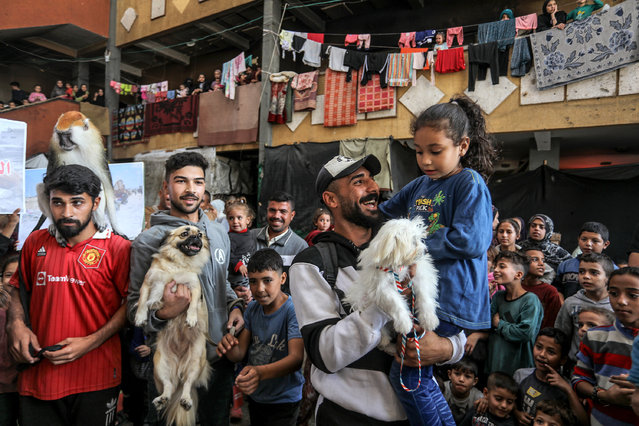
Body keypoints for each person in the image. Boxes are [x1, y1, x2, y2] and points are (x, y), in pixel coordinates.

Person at [289, 154, 466, 424]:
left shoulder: (405, 242)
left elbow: (455, 321)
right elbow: (326, 355)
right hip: (347, 418)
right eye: (359, 182)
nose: (373, 187)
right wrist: (386, 296)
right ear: (331, 200)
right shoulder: (312, 264)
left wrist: (447, 349)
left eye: (372, 179)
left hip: (419, 411)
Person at [6, 164, 130, 426]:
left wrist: (91, 342)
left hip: (96, 377)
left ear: (95, 202)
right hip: (37, 377)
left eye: (77, 203)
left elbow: (131, 304)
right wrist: (15, 324)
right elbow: (18, 288)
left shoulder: (119, 248)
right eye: (58, 203)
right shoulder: (35, 242)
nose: (66, 213)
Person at [127, 151, 244, 426]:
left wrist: (234, 306)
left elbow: (222, 281)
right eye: (181, 181)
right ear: (166, 187)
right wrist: (165, 312)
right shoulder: (149, 241)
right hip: (172, 364)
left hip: (217, 359)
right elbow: (134, 307)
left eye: (198, 182)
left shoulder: (216, 233)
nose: (191, 189)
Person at [217, 249, 304, 426]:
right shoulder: (252, 309)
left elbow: (296, 359)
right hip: (257, 396)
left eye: (267, 280)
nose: (260, 289)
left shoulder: (293, 310)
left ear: (283, 279)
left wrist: (259, 372)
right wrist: (228, 345)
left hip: (284, 400)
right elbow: (239, 353)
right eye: (253, 282)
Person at [572, 267, 639, 426]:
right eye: (614, 293)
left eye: (633, 295)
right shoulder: (595, 336)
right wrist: (606, 396)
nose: (621, 301)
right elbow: (579, 379)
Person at [512, 328, 588, 426]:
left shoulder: (566, 388)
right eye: (539, 347)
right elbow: (510, 400)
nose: (542, 354)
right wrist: (516, 413)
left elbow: (583, 423)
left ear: (563, 360)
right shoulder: (521, 375)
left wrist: (568, 390)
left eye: (551, 352)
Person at [486, 251, 543, 376]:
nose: (495, 270)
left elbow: (525, 333)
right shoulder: (498, 297)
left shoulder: (530, 300)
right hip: (496, 364)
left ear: (518, 274)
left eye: (502, 266)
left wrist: (499, 324)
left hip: (518, 368)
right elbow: (488, 323)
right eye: (495, 266)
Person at [554, 253, 614, 366]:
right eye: (581, 271)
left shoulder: (616, 305)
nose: (585, 276)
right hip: (575, 365)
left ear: (608, 277)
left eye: (594, 272)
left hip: (607, 367)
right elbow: (562, 336)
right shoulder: (571, 303)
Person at [252, 191, 308, 275]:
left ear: (292, 215)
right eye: (272, 210)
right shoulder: (250, 236)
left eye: (283, 211)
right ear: (267, 211)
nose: (276, 216)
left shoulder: (300, 247)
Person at [555, 221, 611, 299]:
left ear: (605, 244)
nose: (588, 243)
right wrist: (564, 305)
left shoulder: (611, 269)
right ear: (578, 240)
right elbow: (558, 289)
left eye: (595, 241)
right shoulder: (565, 265)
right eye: (584, 239)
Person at [522, 248, 563, 330]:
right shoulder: (515, 287)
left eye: (543, 260)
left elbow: (552, 322)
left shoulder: (550, 291)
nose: (541, 264)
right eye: (535, 259)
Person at [0, 254, 19, 426]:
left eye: (19, 275)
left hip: (26, 388)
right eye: (8, 275)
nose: (13, 280)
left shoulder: (38, 310)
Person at [226, 200, 256, 302]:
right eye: (231, 218)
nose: (235, 221)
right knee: (241, 296)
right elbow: (228, 253)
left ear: (248, 220)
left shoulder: (250, 234)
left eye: (239, 218)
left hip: (247, 274)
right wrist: (238, 264)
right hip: (236, 277)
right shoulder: (231, 237)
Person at [442, 358, 483, 424]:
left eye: (467, 376)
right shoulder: (442, 389)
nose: (461, 379)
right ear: (449, 374)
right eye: (457, 374)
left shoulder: (478, 398)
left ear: (474, 381)